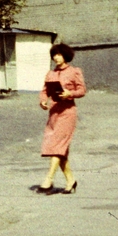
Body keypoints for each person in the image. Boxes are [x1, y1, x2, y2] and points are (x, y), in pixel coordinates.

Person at [38, 45, 85, 193]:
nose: (56, 58)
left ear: (65, 55)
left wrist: (69, 93)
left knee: (57, 146)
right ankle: (71, 181)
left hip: (68, 112)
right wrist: (43, 101)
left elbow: (82, 90)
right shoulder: (50, 73)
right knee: (60, 148)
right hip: (54, 112)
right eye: (54, 55)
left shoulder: (74, 72)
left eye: (59, 55)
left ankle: (48, 179)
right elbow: (45, 91)